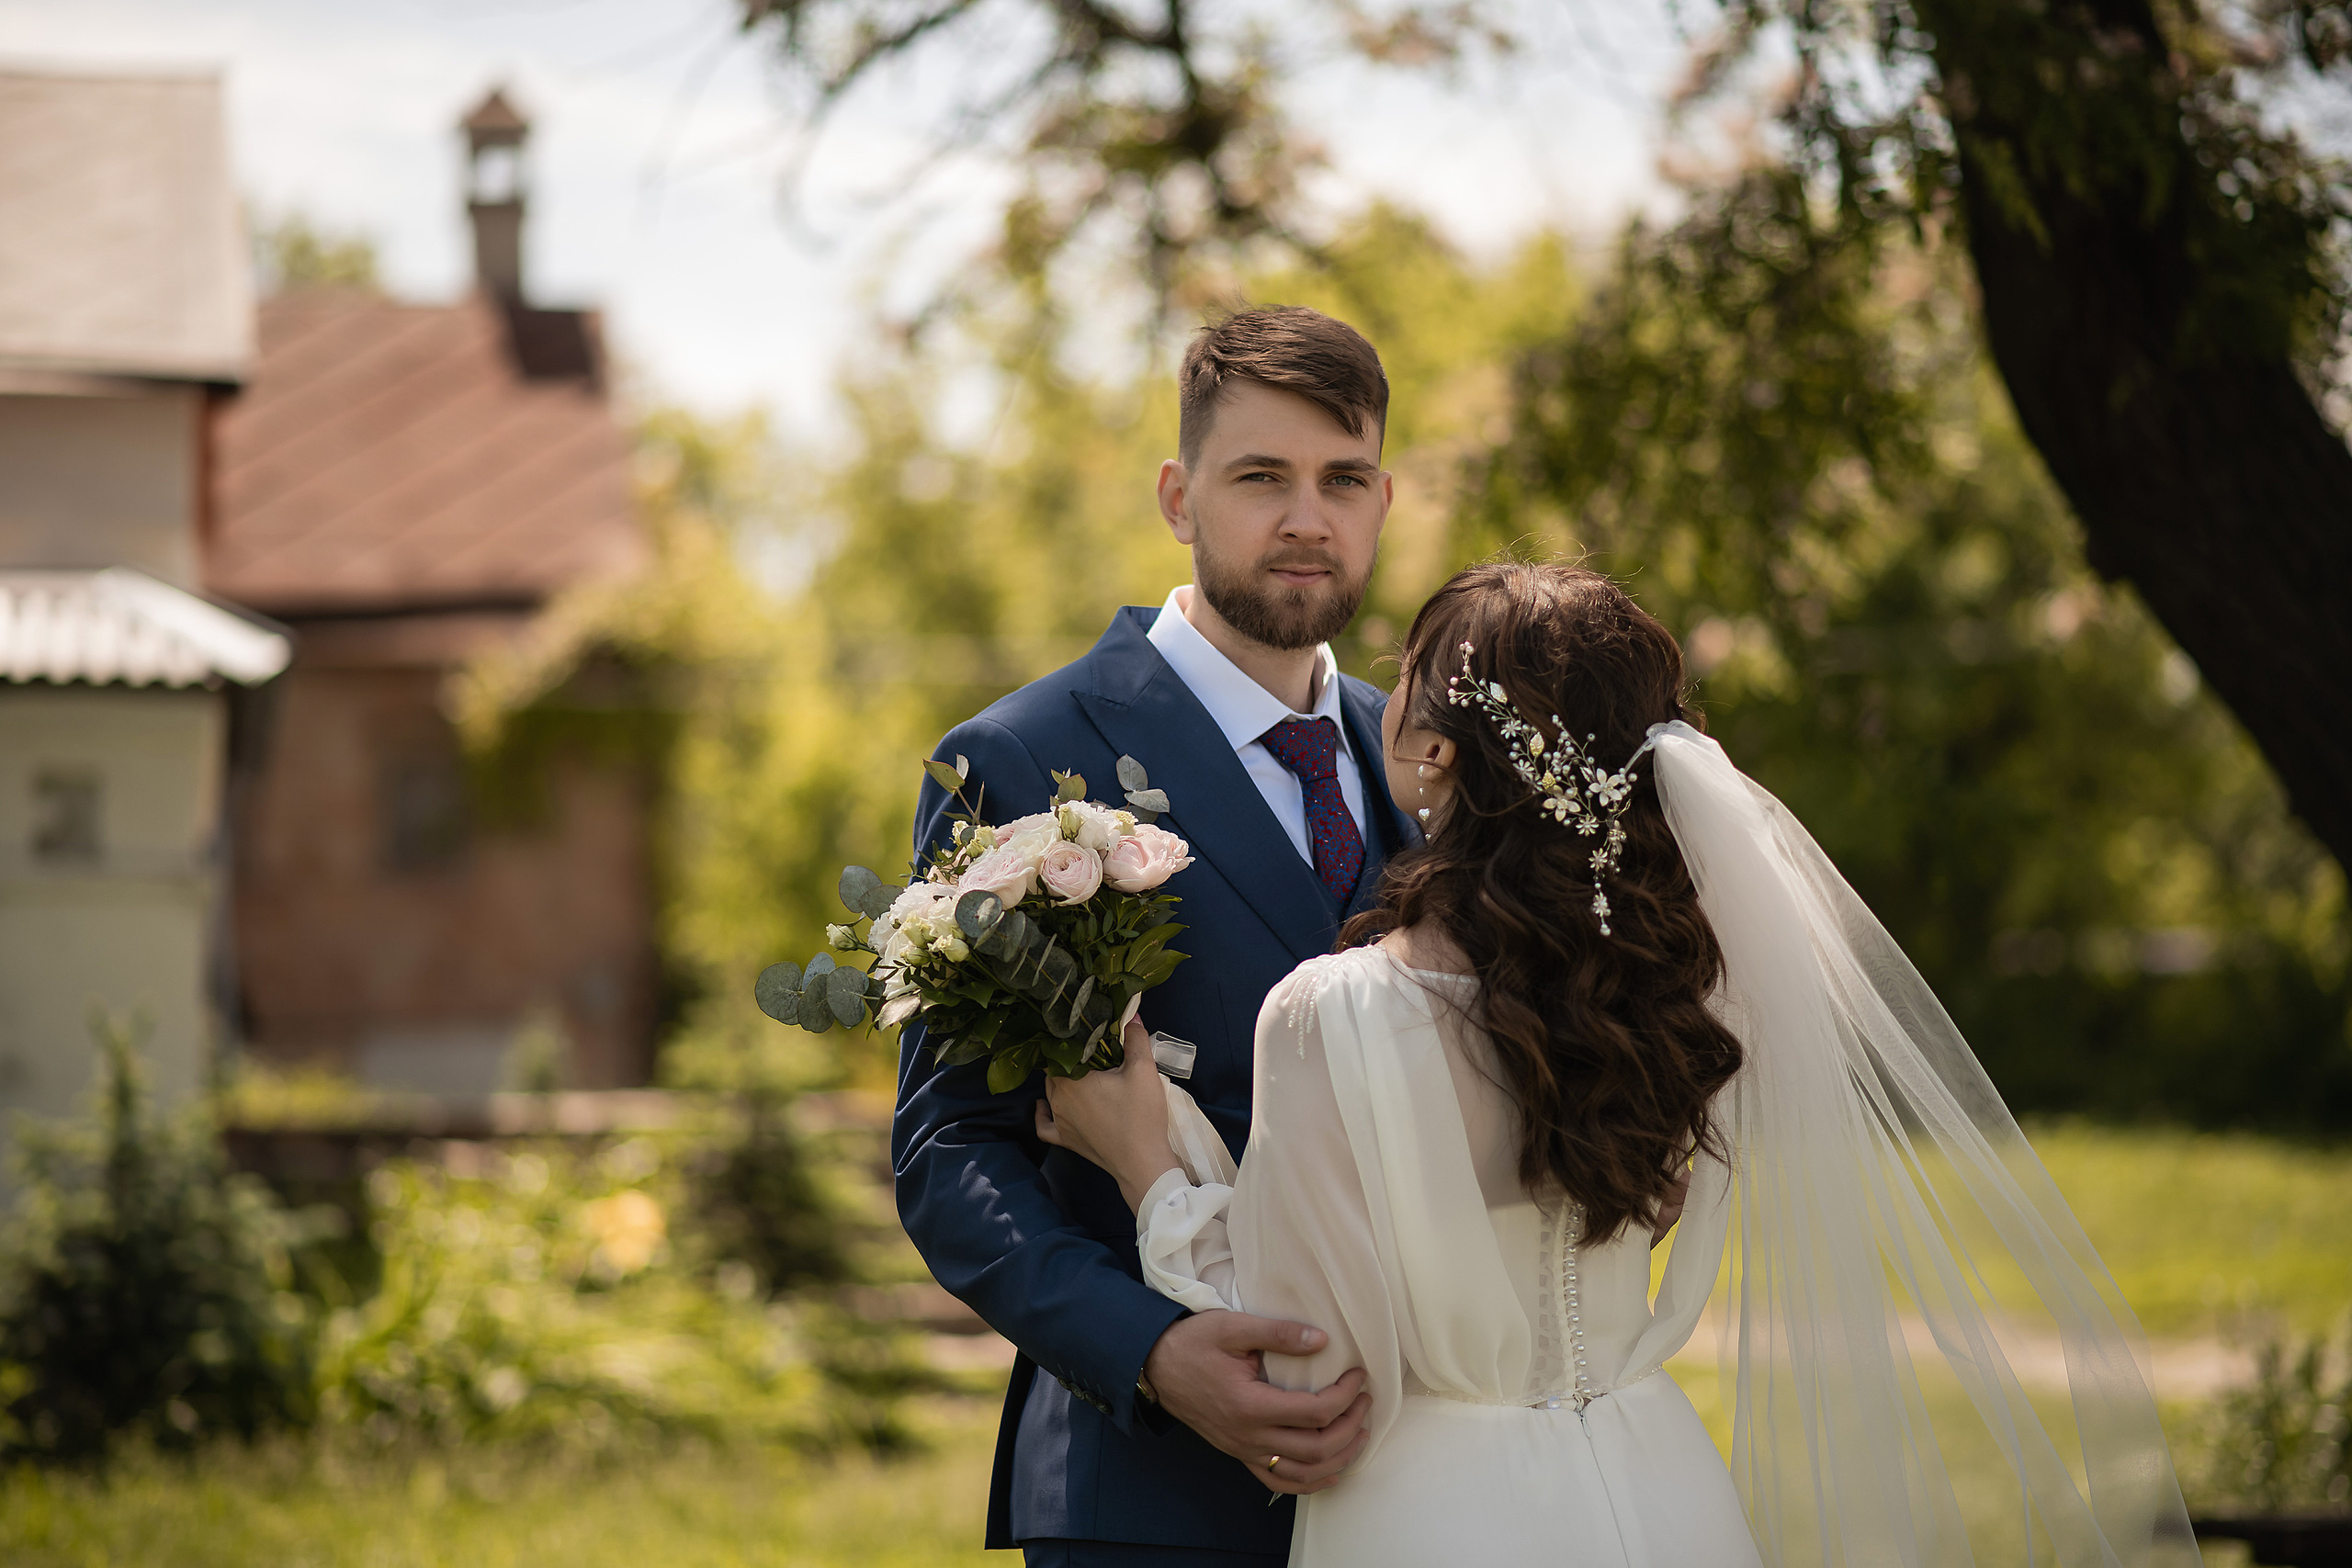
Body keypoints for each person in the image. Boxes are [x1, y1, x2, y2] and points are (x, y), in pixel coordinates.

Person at [1038, 562, 2200, 1567]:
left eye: (1407, 674)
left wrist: (1152, 1164)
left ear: (1435, 746)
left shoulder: (1335, 1013)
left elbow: (1306, 1378)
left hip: (1436, 1517)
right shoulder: (1686, 988)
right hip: (1661, 1484)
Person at [890, 306, 1423, 1565]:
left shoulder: (1422, 751)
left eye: (1344, 479)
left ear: (1385, 497)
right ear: (1180, 496)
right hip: (1150, 1493)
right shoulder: (1022, 756)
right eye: (1262, 478)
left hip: (1422, 1468)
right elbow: (948, 1148)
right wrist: (1150, 1348)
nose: (1309, 517)